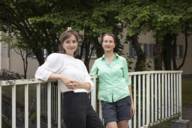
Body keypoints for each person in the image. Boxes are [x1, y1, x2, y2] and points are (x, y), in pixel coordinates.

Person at [35, 29, 103, 128]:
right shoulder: (57, 57)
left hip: (86, 102)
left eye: (74, 41)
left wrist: (80, 85)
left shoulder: (80, 62)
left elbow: (90, 85)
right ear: (62, 44)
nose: (71, 44)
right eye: (68, 42)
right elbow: (39, 73)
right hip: (72, 101)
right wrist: (61, 77)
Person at [90, 33, 135, 128]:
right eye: (105, 41)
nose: (108, 44)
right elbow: (90, 78)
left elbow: (127, 81)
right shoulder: (97, 62)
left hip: (123, 96)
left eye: (110, 41)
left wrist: (132, 102)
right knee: (112, 126)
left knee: (123, 125)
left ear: (114, 44)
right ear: (102, 44)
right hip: (106, 100)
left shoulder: (122, 60)